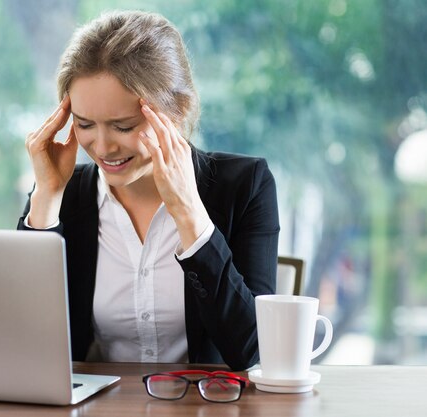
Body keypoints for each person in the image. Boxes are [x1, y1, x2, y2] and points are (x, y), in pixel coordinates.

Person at [18, 10, 279, 371]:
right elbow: (24, 345)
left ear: (178, 110)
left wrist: (189, 214)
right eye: (85, 124)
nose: (103, 147)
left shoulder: (246, 186)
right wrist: (46, 197)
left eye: (123, 127)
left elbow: (252, 351)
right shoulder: (64, 195)